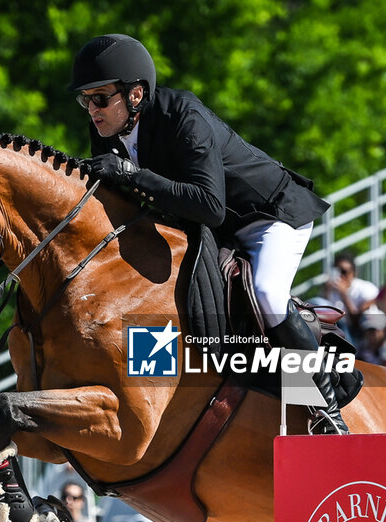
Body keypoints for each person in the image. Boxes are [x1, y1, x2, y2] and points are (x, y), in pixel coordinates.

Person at [69, 34, 343, 435]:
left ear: (135, 95)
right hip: (216, 230)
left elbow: (209, 205)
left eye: (100, 98)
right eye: (85, 100)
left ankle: (325, 409)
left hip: (268, 215)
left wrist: (133, 175)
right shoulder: (109, 129)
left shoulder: (184, 116)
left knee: (267, 294)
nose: (92, 109)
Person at [322, 251, 380, 332]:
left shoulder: (366, 288)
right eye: (336, 271)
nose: (340, 275)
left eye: (343, 271)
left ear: (353, 272)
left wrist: (344, 295)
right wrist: (326, 292)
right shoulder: (331, 291)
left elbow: (356, 322)